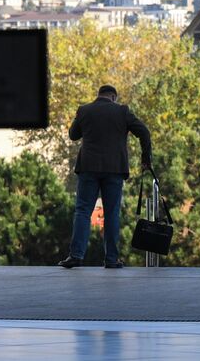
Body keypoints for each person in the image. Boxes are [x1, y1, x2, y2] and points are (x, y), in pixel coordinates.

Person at [59, 84, 152, 269]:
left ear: (98, 95)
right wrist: (145, 158)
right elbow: (144, 132)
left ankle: (76, 255)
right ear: (114, 97)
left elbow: (73, 135)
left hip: (88, 168)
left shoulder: (84, 110)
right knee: (111, 213)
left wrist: (79, 119)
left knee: (83, 211)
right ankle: (111, 259)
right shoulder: (122, 111)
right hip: (114, 169)